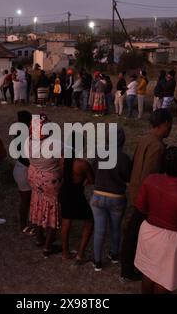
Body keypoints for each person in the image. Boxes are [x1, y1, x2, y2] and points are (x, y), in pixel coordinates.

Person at [135, 146, 177, 294]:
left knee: (148, 272)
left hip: (149, 233)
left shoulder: (150, 180)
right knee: (165, 279)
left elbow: (141, 206)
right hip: (173, 242)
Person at [121, 109, 173, 281]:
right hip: (144, 196)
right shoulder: (158, 146)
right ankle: (129, 269)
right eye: (170, 125)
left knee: (133, 231)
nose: (170, 128)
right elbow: (151, 176)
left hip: (135, 190)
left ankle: (128, 266)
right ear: (165, 124)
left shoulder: (144, 138)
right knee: (136, 233)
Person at [91, 127, 132, 271]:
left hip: (98, 195)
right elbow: (128, 178)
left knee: (99, 230)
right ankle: (114, 255)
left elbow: (93, 170)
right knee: (115, 228)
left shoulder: (98, 153)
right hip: (117, 197)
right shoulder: (125, 158)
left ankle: (97, 262)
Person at [28, 114, 63, 258]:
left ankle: (39, 238)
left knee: (37, 204)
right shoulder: (54, 143)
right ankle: (48, 247)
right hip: (50, 181)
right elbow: (63, 162)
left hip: (34, 178)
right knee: (52, 208)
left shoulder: (28, 141)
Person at [59, 133, 95, 262]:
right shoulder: (82, 164)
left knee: (66, 220)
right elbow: (91, 180)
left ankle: (65, 252)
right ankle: (80, 253)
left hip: (64, 192)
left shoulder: (62, 159)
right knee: (90, 220)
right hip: (76, 194)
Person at [13, 111, 33, 233]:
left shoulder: (18, 131)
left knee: (27, 200)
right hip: (24, 170)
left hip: (20, 168)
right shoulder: (24, 133)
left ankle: (26, 222)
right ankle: (23, 224)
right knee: (26, 200)